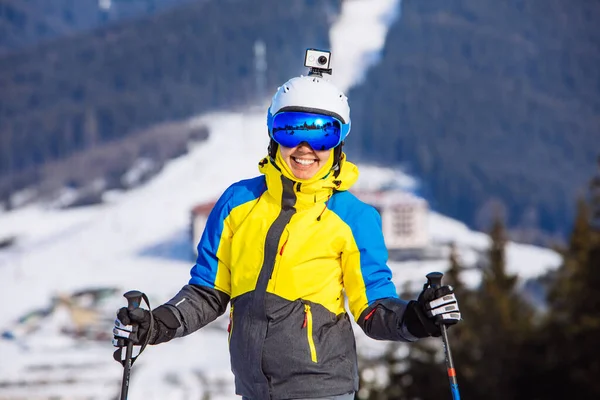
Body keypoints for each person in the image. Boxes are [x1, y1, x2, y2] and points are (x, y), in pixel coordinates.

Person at [112, 60, 461, 400]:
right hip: (253, 389)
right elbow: (208, 292)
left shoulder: (353, 218)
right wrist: (156, 325)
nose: (305, 148)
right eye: (291, 129)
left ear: (339, 142)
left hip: (322, 390)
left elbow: (373, 309)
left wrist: (417, 319)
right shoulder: (238, 203)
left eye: (323, 134)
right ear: (273, 134)